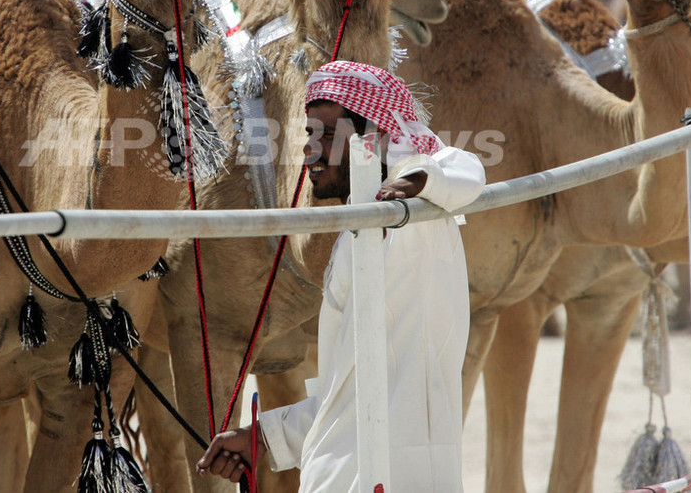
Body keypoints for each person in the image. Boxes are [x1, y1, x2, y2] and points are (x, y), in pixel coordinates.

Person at [197, 60, 487, 491]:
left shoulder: (423, 220)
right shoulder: (355, 235)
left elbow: (465, 168)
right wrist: (261, 437)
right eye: (310, 134)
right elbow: (350, 395)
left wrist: (414, 186)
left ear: (381, 136)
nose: (311, 150)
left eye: (329, 134)